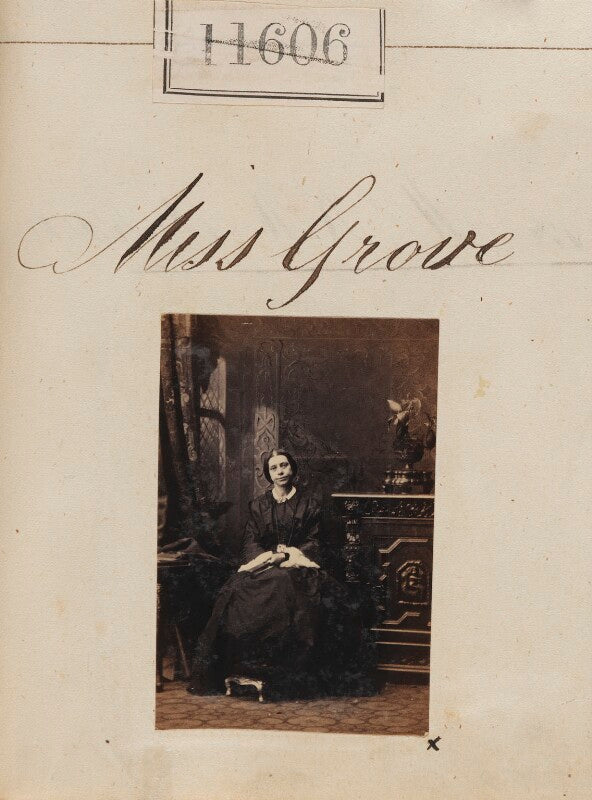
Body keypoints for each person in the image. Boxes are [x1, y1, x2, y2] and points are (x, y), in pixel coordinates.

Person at [187, 449, 377, 700]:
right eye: (274, 468)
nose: (280, 472)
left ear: (293, 469)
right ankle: (246, 666)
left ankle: (286, 676)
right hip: (265, 565)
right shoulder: (258, 505)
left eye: (284, 465)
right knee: (236, 591)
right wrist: (269, 557)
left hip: (298, 567)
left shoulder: (310, 504)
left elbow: (316, 541)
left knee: (289, 587)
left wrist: (288, 556)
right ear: (268, 474)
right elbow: (250, 542)